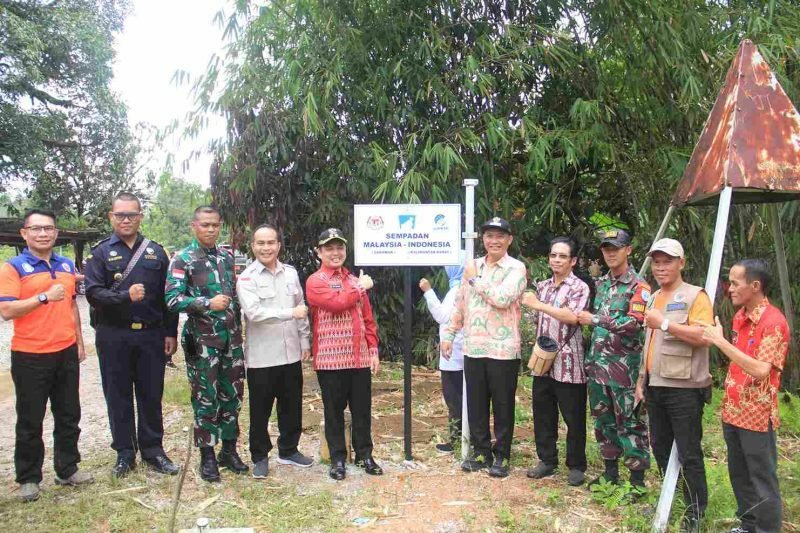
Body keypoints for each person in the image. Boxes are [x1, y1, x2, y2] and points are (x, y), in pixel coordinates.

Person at [83, 192, 180, 478]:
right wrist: (125, 296)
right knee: (118, 395)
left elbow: (167, 297)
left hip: (150, 336)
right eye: (120, 215)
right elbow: (93, 294)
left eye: (132, 215)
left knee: (151, 393)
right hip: (113, 335)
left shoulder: (156, 252)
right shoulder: (99, 253)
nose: (126, 220)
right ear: (111, 217)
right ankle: (125, 453)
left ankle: (153, 450)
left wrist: (170, 332)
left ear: (140, 217)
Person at [0, 209, 94, 502]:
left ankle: (68, 469)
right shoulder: (13, 267)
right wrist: (43, 297)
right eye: (36, 229)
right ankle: (29, 478)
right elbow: (6, 310)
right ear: (24, 233)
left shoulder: (65, 265)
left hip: (65, 351)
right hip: (30, 354)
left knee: (68, 414)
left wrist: (79, 342)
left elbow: (70, 305)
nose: (43, 234)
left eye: (48, 229)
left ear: (56, 233)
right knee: (30, 419)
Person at [703, 259, 788, 533]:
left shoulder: (773, 322)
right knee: (740, 475)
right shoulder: (741, 316)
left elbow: (761, 370)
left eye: (735, 283)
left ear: (755, 285)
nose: (729, 289)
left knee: (762, 479)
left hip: (757, 415)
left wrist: (720, 341)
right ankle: (748, 526)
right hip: (733, 410)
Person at [165, 206, 248, 482]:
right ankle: (207, 455)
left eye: (215, 225)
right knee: (205, 398)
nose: (211, 229)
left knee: (232, 395)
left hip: (231, 340)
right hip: (203, 342)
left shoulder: (226, 257)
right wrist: (205, 303)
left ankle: (229, 450)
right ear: (194, 226)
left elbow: (234, 295)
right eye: (205, 225)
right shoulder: (183, 259)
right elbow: (172, 300)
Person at [634, 238, 712, 529]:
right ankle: (673, 501)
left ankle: (695, 512)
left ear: (682, 263)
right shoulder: (654, 297)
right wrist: (642, 380)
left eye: (667, 261)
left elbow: (705, 336)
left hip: (684, 388)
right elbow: (649, 342)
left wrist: (665, 323)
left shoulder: (695, 296)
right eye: (656, 262)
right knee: (660, 447)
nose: (661, 267)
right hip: (656, 386)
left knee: (689, 452)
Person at [442, 217, 527, 479]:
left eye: (500, 236)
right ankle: (481, 452)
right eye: (489, 236)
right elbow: (460, 304)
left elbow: (503, 298)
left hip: (503, 349)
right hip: (473, 347)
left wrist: (475, 280)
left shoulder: (516, 268)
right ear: (483, 239)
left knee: (502, 405)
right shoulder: (473, 266)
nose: (494, 241)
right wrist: (449, 334)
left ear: (509, 240)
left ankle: (502, 455)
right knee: (476, 403)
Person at [236, 224, 313, 478]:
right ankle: (260, 456)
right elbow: (254, 314)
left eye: (271, 242)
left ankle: (289, 449)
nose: (266, 248)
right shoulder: (247, 278)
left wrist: (304, 340)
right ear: (253, 246)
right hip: (262, 357)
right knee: (260, 410)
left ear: (279, 245)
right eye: (261, 243)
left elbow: (300, 305)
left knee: (292, 406)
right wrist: (290, 313)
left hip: (290, 353)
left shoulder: (290, 273)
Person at [577, 228, 650, 494]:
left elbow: (635, 324)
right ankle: (610, 474)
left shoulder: (639, 287)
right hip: (598, 367)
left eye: (616, 248)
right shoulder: (602, 284)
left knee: (630, 424)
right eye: (606, 249)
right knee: (603, 421)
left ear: (628, 250)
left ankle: (637, 482)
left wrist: (596, 319)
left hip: (624, 371)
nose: (610, 253)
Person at [305, 228, 382, 481]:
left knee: (362, 410)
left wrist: (373, 349)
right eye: (329, 248)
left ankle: (364, 455)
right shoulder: (315, 281)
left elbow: (367, 317)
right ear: (319, 253)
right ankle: (337, 458)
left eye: (339, 248)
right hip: (330, 359)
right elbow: (336, 303)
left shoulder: (352, 279)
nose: (335, 253)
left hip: (359, 358)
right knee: (333, 411)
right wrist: (361, 287)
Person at [522, 236, 590, 486]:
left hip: (570, 362)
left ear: (573, 261)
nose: (557, 260)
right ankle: (547, 460)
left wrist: (539, 305)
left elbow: (573, 317)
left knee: (573, 416)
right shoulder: (542, 286)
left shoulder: (579, 287)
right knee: (543, 413)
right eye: (553, 255)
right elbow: (533, 318)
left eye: (562, 256)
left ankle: (576, 465)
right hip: (543, 360)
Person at [419, 261, 465, 454]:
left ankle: (457, 441)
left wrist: (428, 291)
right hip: (461, 351)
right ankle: (464, 439)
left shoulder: (457, 290)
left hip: (454, 353)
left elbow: (442, 316)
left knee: (454, 399)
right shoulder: (464, 287)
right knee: (463, 398)